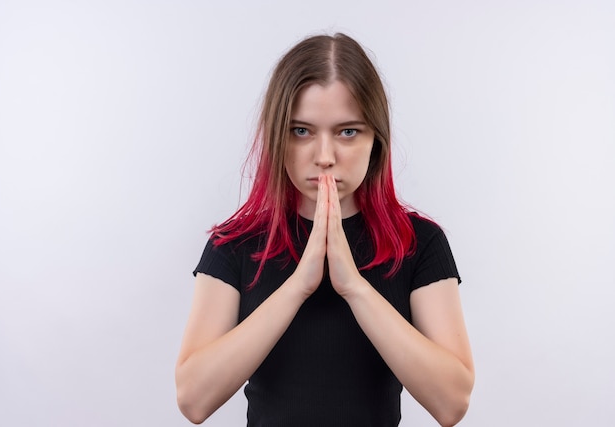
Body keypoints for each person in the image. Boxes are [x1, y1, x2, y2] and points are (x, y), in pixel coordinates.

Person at [175, 33, 474, 427]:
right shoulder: (234, 244)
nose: (325, 157)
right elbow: (193, 400)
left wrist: (354, 286)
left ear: (376, 141)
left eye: (347, 131)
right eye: (301, 131)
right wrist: (299, 285)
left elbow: (452, 403)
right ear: (277, 137)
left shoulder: (418, 243)